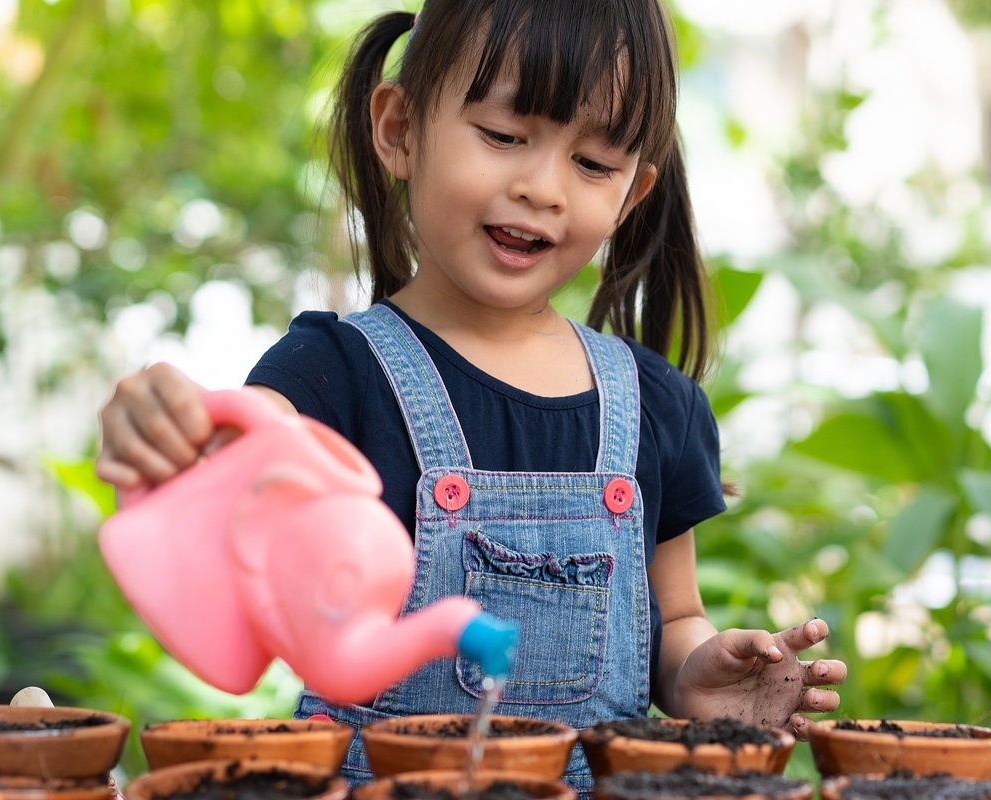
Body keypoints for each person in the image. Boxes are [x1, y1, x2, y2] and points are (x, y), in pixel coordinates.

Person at [94, 0, 846, 791]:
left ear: (631, 194)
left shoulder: (657, 406)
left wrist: (696, 673)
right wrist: (172, 435)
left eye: (592, 164)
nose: (543, 187)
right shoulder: (334, 374)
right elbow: (243, 461)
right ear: (400, 131)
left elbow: (675, 614)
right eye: (503, 136)